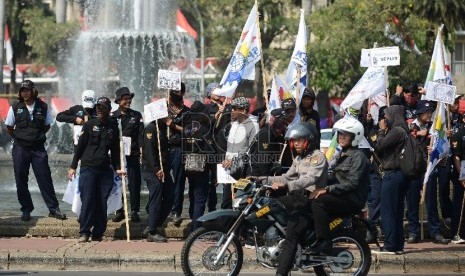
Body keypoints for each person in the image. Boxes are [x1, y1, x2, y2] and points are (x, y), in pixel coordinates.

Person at [266, 122, 328, 276]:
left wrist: (287, 186)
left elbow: (308, 180)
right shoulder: (300, 159)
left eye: (298, 140)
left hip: (309, 200)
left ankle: (281, 273)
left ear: (309, 140)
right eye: (294, 141)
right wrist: (261, 179)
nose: (295, 144)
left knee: (291, 237)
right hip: (297, 197)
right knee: (271, 205)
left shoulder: (317, 157)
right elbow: (286, 177)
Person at [5, 80, 66, 221]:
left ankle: (54, 209)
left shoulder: (43, 106)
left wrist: (35, 136)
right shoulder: (15, 107)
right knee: (21, 180)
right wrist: (19, 138)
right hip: (20, 148)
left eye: (27, 90)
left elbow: (47, 125)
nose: (25, 93)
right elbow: (9, 127)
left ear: (33, 91)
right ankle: (26, 209)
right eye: (22, 90)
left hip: (38, 149)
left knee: (45, 178)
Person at [310, 117, 369, 255]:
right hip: (340, 196)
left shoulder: (358, 157)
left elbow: (352, 183)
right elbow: (329, 175)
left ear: (355, 137)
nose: (341, 137)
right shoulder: (340, 155)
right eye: (339, 134)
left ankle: (323, 242)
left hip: (351, 199)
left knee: (319, 202)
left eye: (345, 135)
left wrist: (327, 189)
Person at [68, 97, 124, 243]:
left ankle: (98, 232)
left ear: (109, 110)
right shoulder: (90, 124)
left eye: (103, 107)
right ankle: (84, 232)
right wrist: (73, 167)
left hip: (104, 169)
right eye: (98, 107)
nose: (99, 109)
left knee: (102, 201)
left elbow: (116, 151)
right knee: (87, 200)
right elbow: (80, 147)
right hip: (88, 168)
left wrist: (118, 168)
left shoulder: (113, 126)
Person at [406, 100, 449, 244]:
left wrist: (435, 149)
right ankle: (413, 231)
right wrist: (418, 134)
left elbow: (440, 146)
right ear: (419, 113)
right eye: (427, 112)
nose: (429, 114)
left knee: (431, 203)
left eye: (431, 112)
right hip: (413, 169)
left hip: (428, 169)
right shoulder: (410, 125)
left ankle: (435, 232)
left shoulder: (433, 127)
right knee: (412, 203)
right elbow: (407, 142)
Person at [373, 105, 411, 254]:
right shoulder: (404, 131)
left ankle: (389, 245)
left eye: (387, 116)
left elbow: (380, 145)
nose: (385, 120)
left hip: (393, 175)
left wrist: (381, 130)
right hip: (400, 175)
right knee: (397, 211)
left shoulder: (397, 131)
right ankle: (398, 246)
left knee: (388, 210)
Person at [111, 87, 144, 223]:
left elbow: (141, 134)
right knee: (119, 184)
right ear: (119, 101)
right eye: (125, 99)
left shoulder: (136, 115)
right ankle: (119, 210)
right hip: (118, 157)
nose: (128, 101)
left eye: (129, 98)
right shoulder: (112, 116)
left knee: (134, 184)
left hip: (133, 155)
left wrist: (142, 150)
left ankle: (135, 210)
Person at [182, 101, 215, 232]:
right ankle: (196, 230)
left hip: (189, 167)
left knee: (192, 195)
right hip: (201, 167)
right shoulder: (205, 129)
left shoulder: (187, 128)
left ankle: (193, 224)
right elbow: (210, 152)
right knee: (200, 200)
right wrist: (215, 173)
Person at [221, 97, 258, 209]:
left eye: (235, 108)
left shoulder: (253, 125)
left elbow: (250, 149)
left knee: (240, 202)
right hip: (229, 168)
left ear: (243, 110)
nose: (232, 111)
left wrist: (233, 159)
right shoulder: (234, 124)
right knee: (226, 201)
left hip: (243, 169)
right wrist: (227, 159)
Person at [142, 116, 173, 242]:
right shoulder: (151, 128)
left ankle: (152, 224)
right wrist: (156, 169)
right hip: (153, 170)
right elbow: (149, 152)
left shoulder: (163, 128)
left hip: (164, 169)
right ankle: (152, 232)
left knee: (170, 196)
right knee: (156, 199)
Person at [168, 83, 189, 226]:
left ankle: (176, 211)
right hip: (163, 148)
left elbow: (190, 131)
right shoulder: (162, 109)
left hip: (179, 149)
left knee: (179, 180)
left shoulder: (187, 112)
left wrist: (173, 125)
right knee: (160, 180)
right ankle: (159, 209)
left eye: (178, 92)